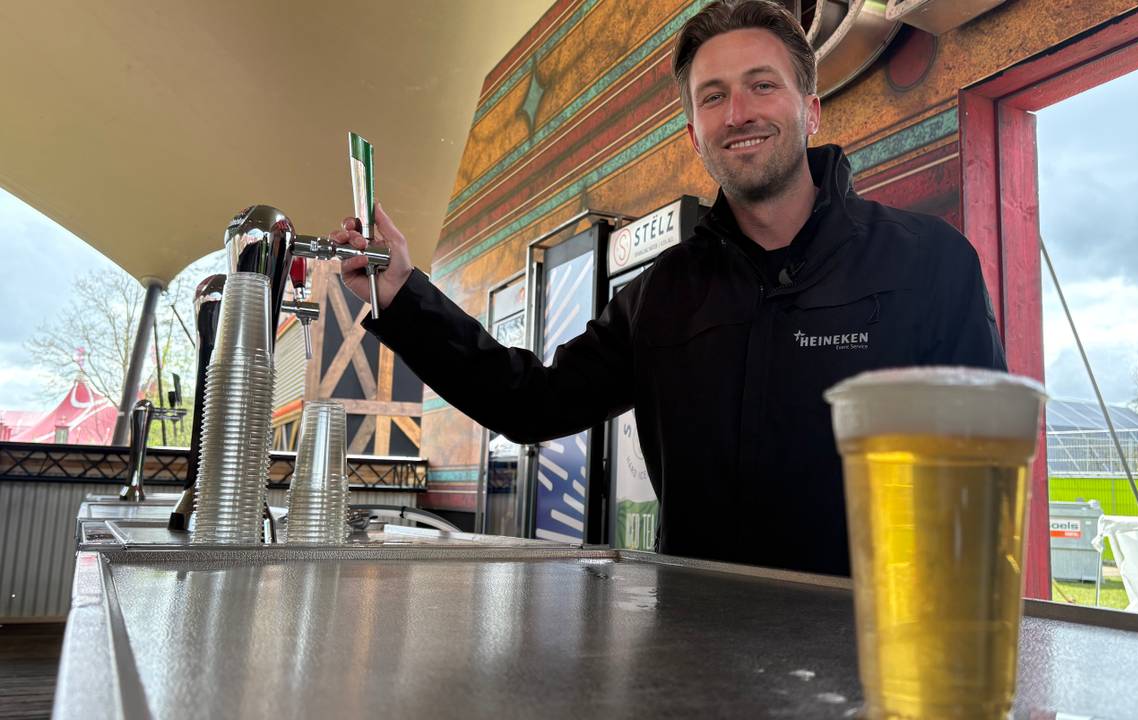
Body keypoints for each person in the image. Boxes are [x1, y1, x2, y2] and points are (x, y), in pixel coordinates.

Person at [331, 0, 1005, 575]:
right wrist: (402, 293)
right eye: (713, 96)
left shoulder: (931, 264)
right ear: (694, 134)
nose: (738, 112)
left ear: (812, 111)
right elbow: (529, 401)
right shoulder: (660, 298)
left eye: (762, 85)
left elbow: (987, 474)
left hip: (882, 664)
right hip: (695, 657)